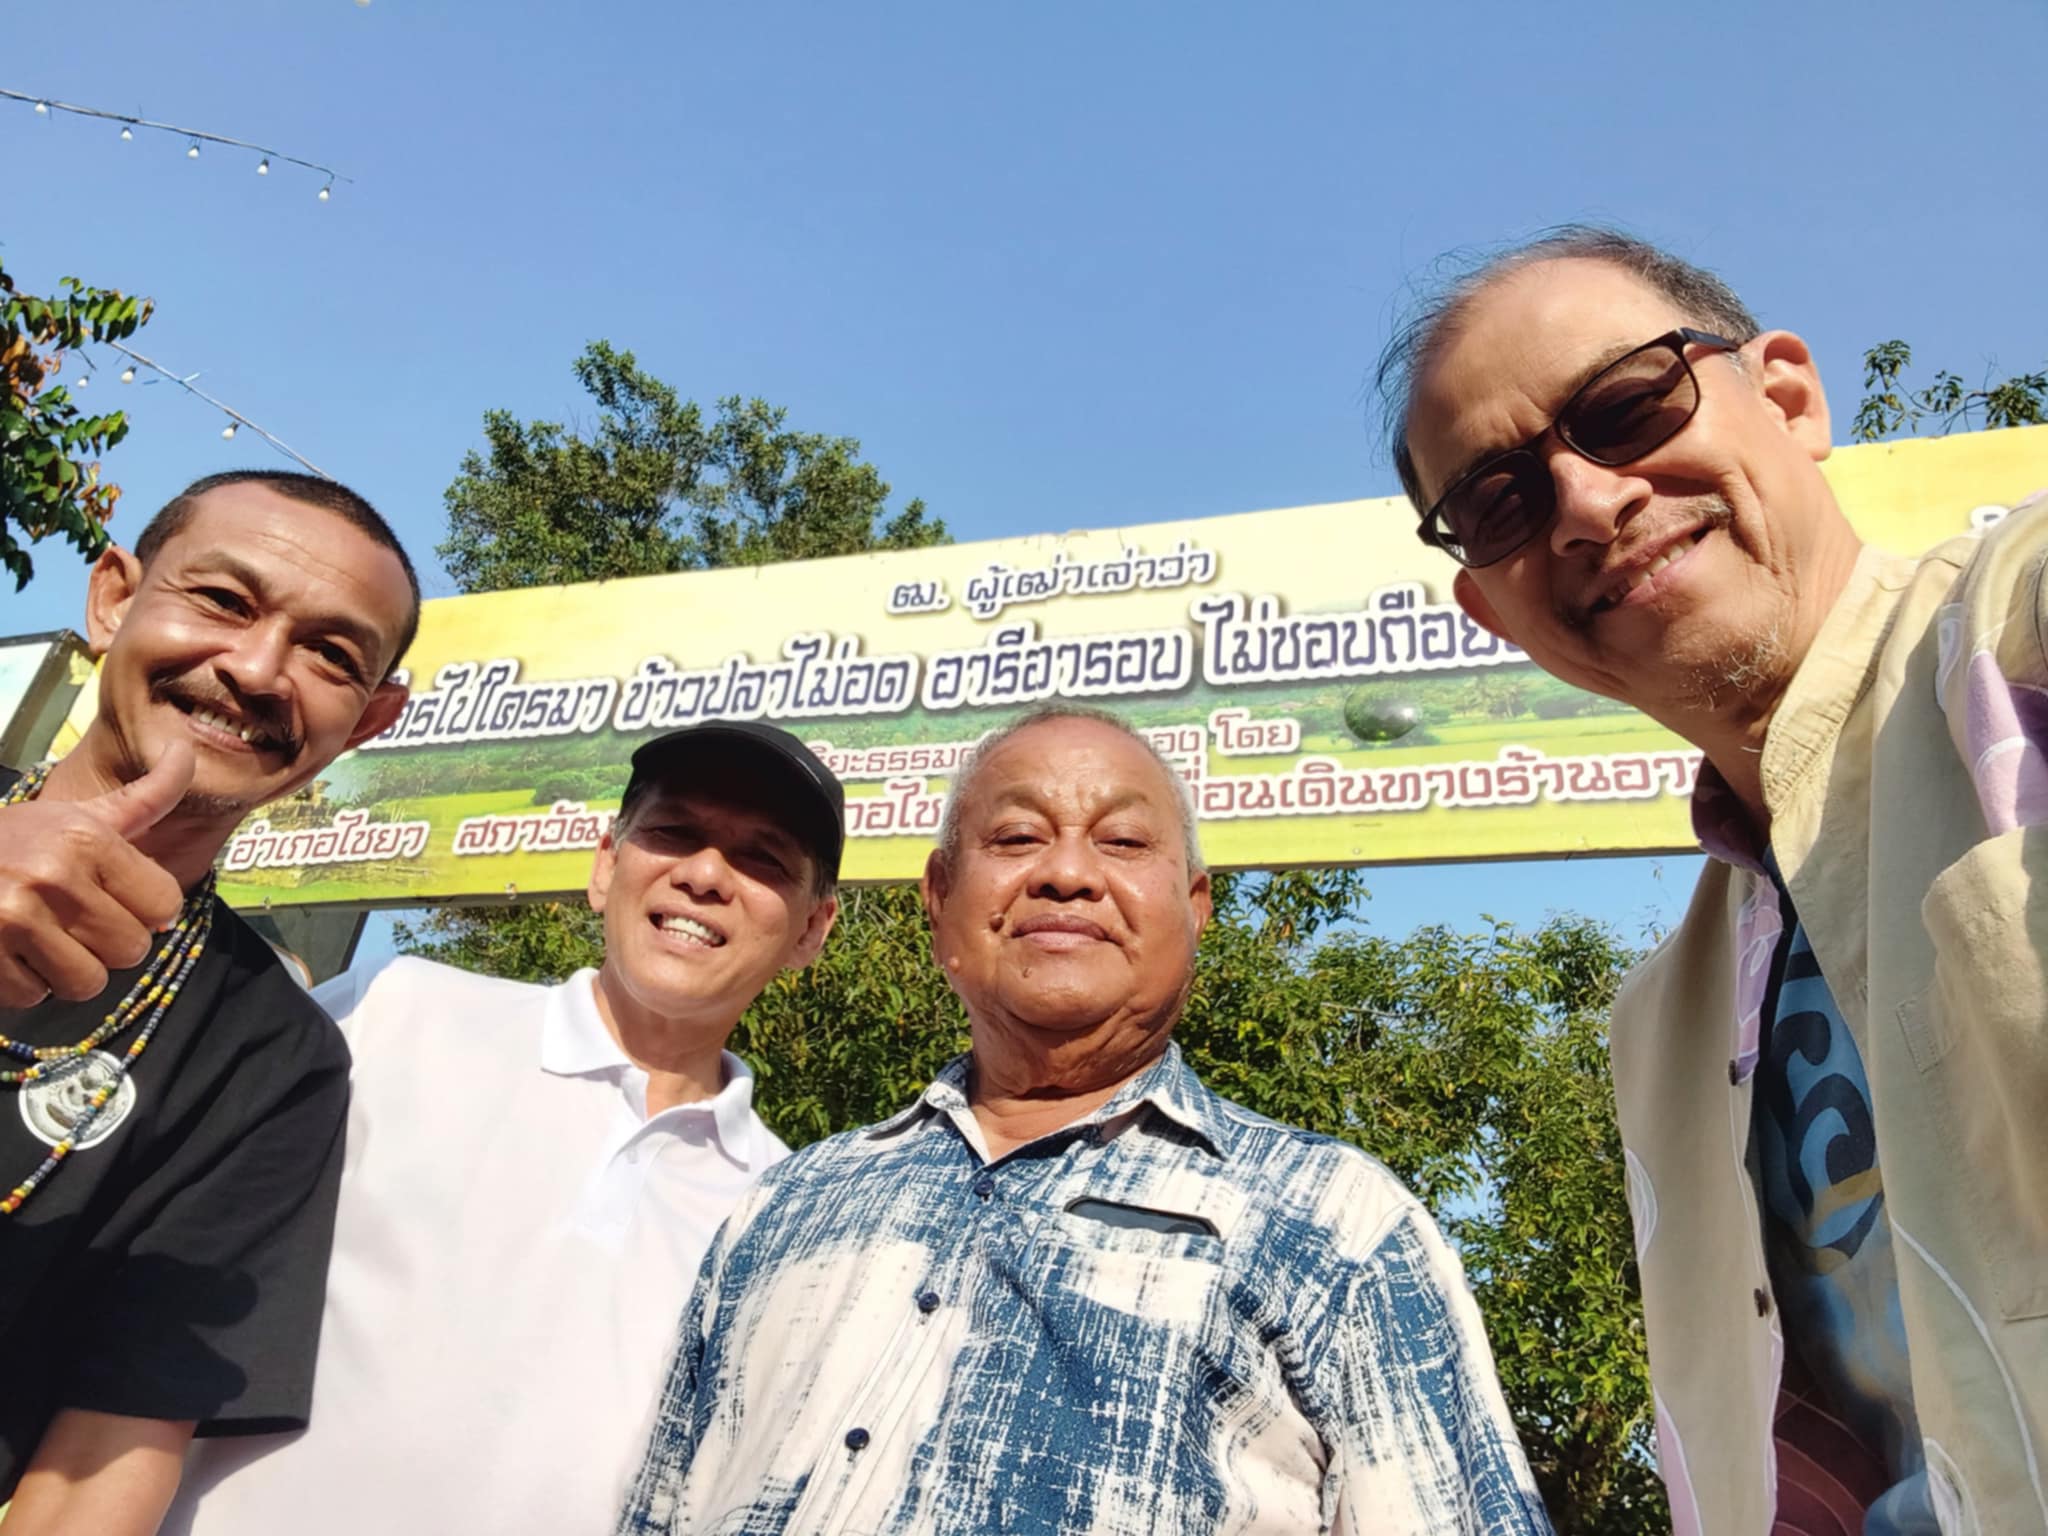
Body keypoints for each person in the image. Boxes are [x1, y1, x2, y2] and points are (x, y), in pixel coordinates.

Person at [1382, 225, 2048, 1532]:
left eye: (1630, 405)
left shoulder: (2010, 637)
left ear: (1788, 399)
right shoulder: (1662, 1022)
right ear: (1491, 613)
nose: (1586, 503)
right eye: (1501, 502)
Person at [617, 706, 1551, 1536]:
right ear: (939, 901)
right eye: (1017, 836)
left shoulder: (1339, 1225)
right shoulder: (786, 1202)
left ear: (1194, 909)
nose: (1066, 873)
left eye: (1125, 842)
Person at [163, 721, 844, 1534]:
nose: (703, 875)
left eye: (762, 859)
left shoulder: (789, 1218)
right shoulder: (391, 1013)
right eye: (673, 831)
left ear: (812, 930)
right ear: (605, 865)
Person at [0, 470, 418, 1533]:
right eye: (224, 601)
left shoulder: (276, 1061)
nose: (257, 669)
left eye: (332, 656)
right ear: (113, 598)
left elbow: (97, 1472)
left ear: (368, 721)